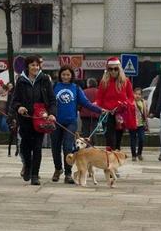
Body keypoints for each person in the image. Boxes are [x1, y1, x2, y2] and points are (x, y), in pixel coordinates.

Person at [10, 55, 56, 186]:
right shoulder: (21, 80)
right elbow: (14, 101)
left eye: (37, 65)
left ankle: (35, 175)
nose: (35, 67)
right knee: (24, 146)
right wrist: (19, 107)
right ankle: (28, 167)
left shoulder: (45, 79)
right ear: (27, 67)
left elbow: (52, 100)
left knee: (37, 147)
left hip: (40, 118)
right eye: (32, 65)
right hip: (25, 119)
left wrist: (52, 113)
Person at [51, 66, 101, 184]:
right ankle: (58, 169)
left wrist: (99, 110)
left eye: (68, 75)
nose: (65, 77)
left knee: (68, 147)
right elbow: (48, 102)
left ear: (72, 76)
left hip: (71, 122)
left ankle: (68, 174)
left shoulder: (76, 88)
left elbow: (85, 103)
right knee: (55, 147)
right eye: (63, 74)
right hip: (55, 121)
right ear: (60, 75)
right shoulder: (54, 87)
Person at [95, 57, 136, 152]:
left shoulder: (126, 81)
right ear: (107, 70)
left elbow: (131, 97)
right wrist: (99, 108)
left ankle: (116, 155)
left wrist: (125, 103)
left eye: (115, 69)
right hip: (107, 113)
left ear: (119, 69)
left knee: (118, 138)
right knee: (109, 137)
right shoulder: (104, 82)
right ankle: (109, 157)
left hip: (120, 113)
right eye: (110, 69)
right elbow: (99, 98)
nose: (113, 71)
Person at [131, 87, 149, 162]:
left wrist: (146, 119)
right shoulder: (131, 102)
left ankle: (139, 153)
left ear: (141, 95)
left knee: (141, 139)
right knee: (133, 140)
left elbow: (146, 113)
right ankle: (133, 155)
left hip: (141, 124)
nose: (137, 96)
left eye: (139, 94)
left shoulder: (143, 102)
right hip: (132, 124)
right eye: (136, 94)